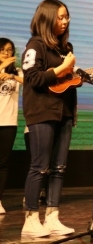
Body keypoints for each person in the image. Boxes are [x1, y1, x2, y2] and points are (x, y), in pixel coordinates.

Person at [21, 0, 93, 237]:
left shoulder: (65, 48)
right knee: (40, 166)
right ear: (47, 18)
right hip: (42, 111)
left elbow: (65, 81)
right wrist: (62, 68)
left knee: (59, 167)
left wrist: (77, 76)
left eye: (67, 16)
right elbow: (33, 78)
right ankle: (31, 219)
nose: (65, 21)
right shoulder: (35, 45)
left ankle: (52, 217)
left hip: (64, 111)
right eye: (60, 17)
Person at [0, 38, 23, 215]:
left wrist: (12, 75)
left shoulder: (17, 72)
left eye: (9, 50)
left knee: (3, 163)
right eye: (2, 50)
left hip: (8, 121)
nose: (7, 53)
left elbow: (29, 82)